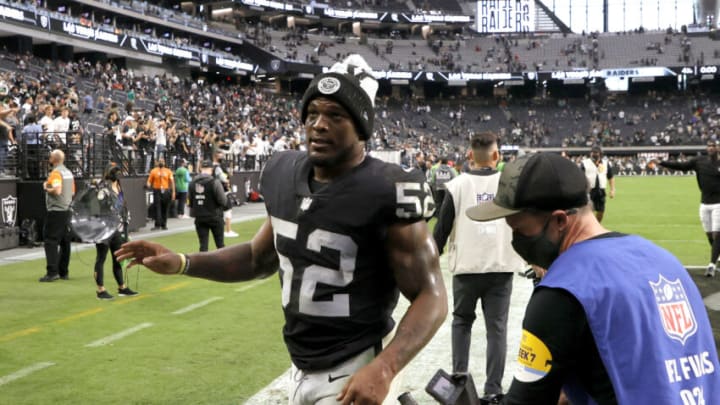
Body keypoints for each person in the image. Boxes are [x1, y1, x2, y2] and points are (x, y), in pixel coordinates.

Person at [116, 54, 447, 405]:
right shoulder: (282, 172)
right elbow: (259, 258)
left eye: (336, 116)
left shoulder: (387, 188)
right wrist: (182, 262)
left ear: (362, 128)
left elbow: (432, 296)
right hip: (300, 367)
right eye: (313, 113)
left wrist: (385, 368)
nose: (318, 125)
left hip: (357, 367)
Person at [466, 153, 719, 404]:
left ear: (560, 220)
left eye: (519, 230)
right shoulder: (665, 262)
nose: (516, 241)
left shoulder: (562, 291)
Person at [432, 132, 525, 404]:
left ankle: (459, 382)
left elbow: (441, 230)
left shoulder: (457, 185)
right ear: (497, 156)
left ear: (469, 155)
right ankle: (493, 390)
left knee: (462, 323)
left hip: (467, 267)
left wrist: (430, 262)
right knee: (497, 328)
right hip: (500, 265)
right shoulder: (508, 185)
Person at [659, 140, 720, 277]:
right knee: (709, 234)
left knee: (717, 234)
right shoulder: (699, 161)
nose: (710, 148)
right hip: (704, 203)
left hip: (718, 204)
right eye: (709, 146)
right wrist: (662, 163)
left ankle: (711, 265)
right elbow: (682, 166)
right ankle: (717, 255)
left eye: (713, 146)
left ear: (718, 148)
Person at [94, 163, 139, 300]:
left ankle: (122, 287)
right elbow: (102, 207)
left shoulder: (119, 187)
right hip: (104, 228)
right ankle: (101, 290)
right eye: (117, 173)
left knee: (118, 258)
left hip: (117, 228)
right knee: (101, 258)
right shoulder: (103, 189)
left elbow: (122, 205)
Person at [39, 150, 74, 282]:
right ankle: (63, 272)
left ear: (53, 159)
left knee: (51, 241)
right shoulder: (68, 172)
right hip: (67, 210)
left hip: (56, 211)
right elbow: (71, 191)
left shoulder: (55, 173)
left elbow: (57, 190)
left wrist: (46, 188)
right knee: (65, 242)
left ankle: (52, 272)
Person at [189, 160, 227, 252]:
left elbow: (190, 201)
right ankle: (223, 265)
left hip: (200, 217)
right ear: (211, 169)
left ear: (201, 169)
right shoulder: (215, 182)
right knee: (220, 245)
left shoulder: (192, 183)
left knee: (203, 246)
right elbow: (223, 201)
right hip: (215, 216)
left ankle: (202, 265)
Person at [580, 145, 615, 222]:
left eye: (596, 153)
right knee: (589, 211)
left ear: (600, 154)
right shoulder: (585, 163)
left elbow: (610, 177)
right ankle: (590, 227)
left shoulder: (606, 164)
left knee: (601, 211)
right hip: (589, 191)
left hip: (601, 190)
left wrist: (612, 189)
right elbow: (580, 177)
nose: (594, 154)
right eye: (593, 152)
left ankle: (597, 225)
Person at [213, 151, 237, 238]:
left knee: (220, 212)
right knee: (227, 210)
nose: (222, 157)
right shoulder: (217, 167)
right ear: (215, 156)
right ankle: (228, 230)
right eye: (220, 155)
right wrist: (227, 181)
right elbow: (224, 178)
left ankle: (223, 231)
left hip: (218, 191)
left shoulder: (217, 167)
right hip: (222, 192)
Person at [146, 158, 175, 230]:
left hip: (166, 191)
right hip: (157, 190)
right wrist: (148, 184)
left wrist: (173, 192)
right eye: (160, 161)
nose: (161, 162)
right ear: (157, 162)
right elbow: (149, 180)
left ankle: (164, 224)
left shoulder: (168, 171)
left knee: (165, 208)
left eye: (162, 161)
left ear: (164, 162)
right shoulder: (153, 171)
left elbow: (172, 182)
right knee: (157, 207)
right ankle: (157, 225)